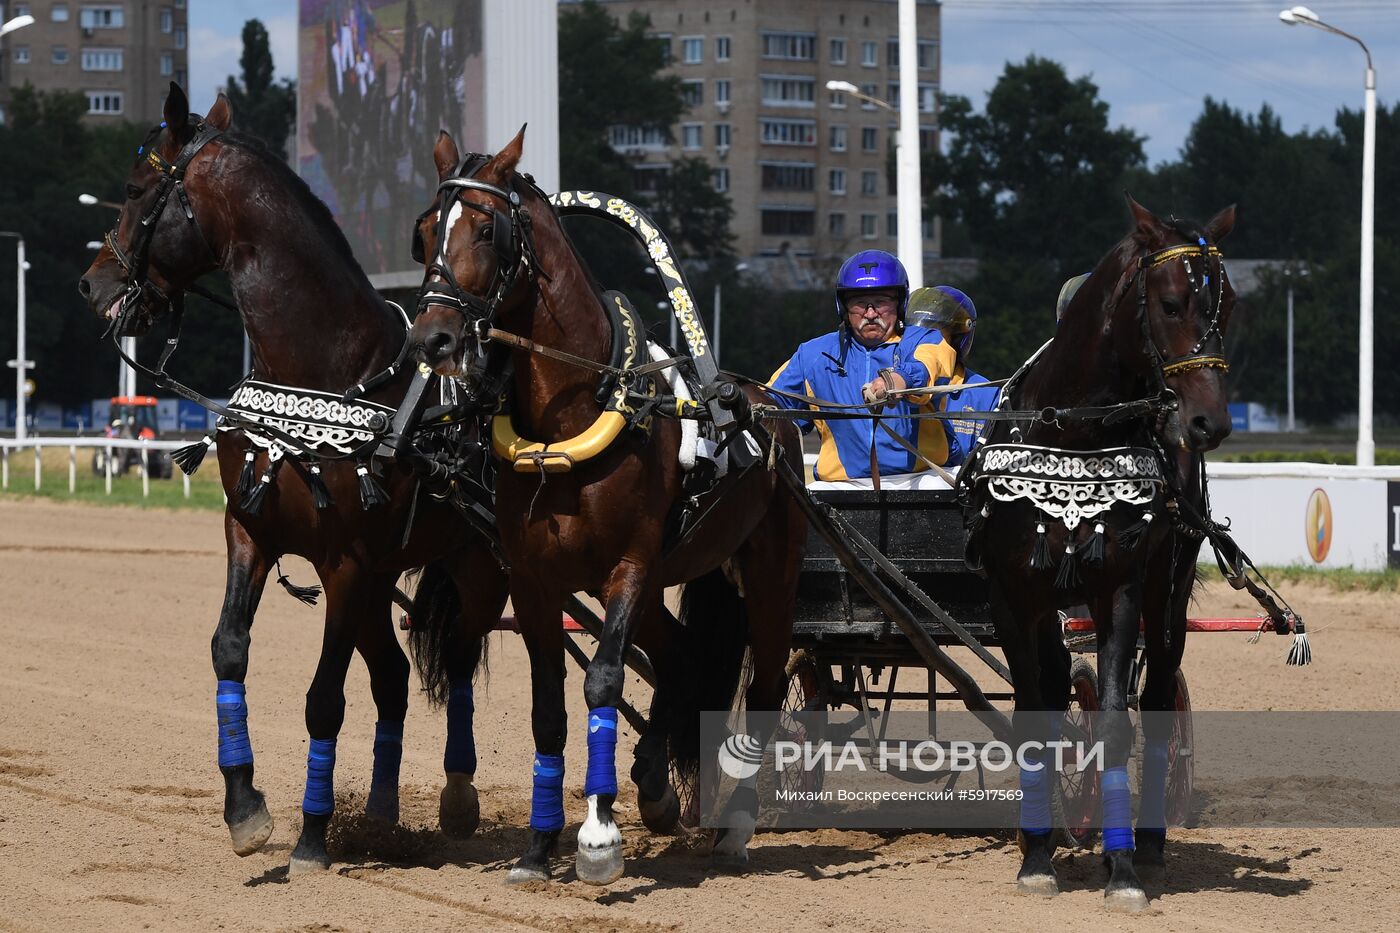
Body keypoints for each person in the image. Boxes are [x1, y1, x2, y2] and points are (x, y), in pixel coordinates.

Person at [768, 249, 958, 485]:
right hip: (839, 484)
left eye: (880, 302)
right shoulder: (812, 354)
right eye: (859, 303)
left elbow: (929, 365)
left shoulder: (926, 339)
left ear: (899, 303)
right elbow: (771, 406)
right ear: (844, 307)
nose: (870, 313)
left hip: (921, 478)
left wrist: (896, 381)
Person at [906, 285, 999, 465]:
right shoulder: (891, 385)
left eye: (935, 337)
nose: (925, 345)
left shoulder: (986, 394)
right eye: (915, 335)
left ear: (958, 340)